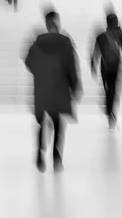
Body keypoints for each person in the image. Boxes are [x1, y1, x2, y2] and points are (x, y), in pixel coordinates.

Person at [24, 11, 81, 172]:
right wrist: (75, 86)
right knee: (58, 125)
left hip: (42, 90)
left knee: (41, 123)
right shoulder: (66, 43)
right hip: (59, 89)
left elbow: (29, 62)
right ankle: (56, 159)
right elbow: (72, 68)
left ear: (47, 25)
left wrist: (41, 72)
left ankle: (40, 154)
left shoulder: (37, 43)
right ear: (57, 23)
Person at [90, 13, 122, 131]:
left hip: (105, 67)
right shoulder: (121, 35)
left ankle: (109, 111)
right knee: (113, 92)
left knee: (108, 90)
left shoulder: (101, 36)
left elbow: (95, 52)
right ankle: (110, 113)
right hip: (116, 67)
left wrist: (93, 65)